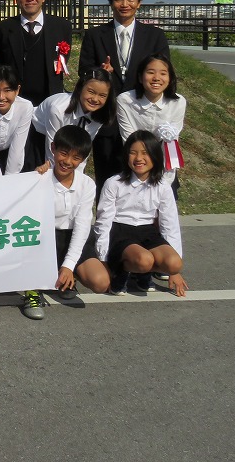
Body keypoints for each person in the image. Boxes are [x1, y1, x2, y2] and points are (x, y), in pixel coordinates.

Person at [79, 0, 170, 192]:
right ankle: (107, 224)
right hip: (107, 119)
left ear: (139, 3)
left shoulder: (155, 36)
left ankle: (142, 223)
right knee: (107, 179)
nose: (124, 4)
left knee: (145, 178)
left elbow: (163, 73)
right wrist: (101, 73)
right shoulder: (95, 35)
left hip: (142, 116)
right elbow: (84, 72)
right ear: (111, 3)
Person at [20, 125, 111, 320]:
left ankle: (66, 276)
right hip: (44, 238)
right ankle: (32, 291)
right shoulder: (39, 178)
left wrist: (69, 265)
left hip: (72, 237)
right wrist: (36, 178)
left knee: (101, 282)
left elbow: (82, 226)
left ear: (83, 159)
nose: (68, 161)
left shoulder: (87, 184)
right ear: (53, 148)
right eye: (64, 153)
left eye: (76, 158)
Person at [94, 130, 188, 296]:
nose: (138, 159)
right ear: (126, 155)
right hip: (120, 231)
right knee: (144, 260)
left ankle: (142, 274)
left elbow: (169, 224)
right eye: (133, 153)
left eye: (145, 153)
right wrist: (104, 259)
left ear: (155, 156)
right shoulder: (114, 183)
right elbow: (103, 221)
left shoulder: (163, 186)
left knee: (174, 263)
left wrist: (174, 272)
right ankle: (122, 271)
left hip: (147, 232)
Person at [0, 0, 73, 169]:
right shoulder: (3, 29)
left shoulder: (61, 26)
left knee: (48, 158)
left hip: (50, 105)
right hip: (17, 105)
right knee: (17, 160)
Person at [116, 53, 186, 193]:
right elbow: (129, 141)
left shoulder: (178, 102)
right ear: (141, 77)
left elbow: (171, 145)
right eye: (150, 72)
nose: (156, 78)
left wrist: (164, 184)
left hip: (164, 168)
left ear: (170, 78)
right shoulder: (124, 101)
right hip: (133, 164)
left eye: (163, 73)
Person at [31, 68, 115, 171]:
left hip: (63, 142)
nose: (95, 99)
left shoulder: (100, 114)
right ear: (80, 88)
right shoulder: (58, 109)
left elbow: (83, 149)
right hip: (37, 136)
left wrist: (77, 180)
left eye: (102, 95)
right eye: (91, 92)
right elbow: (52, 151)